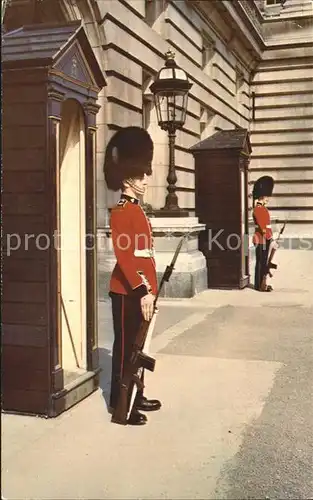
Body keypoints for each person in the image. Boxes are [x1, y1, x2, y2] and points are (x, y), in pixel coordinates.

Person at [104, 126, 161, 426]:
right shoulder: (121, 212)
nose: (146, 180)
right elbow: (125, 258)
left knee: (140, 349)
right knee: (126, 348)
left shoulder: (138, 210)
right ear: (128, 178)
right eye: (141, 176)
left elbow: (144, 253)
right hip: (128, 292)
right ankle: (120, 406)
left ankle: (136, 396)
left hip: (143, 289)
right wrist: (143, 291)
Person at [252, 175, 277, 292]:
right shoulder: (259, 209)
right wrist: (270, 238)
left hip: (263, 238)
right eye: (267, 196)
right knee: (261, 262)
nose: (268, 199)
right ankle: (259, 285)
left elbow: (267, 226)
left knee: (263, 262)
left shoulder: (262, 208)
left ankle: (262, 283)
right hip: (261, 238)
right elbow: (263, 227)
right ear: (262, 196)